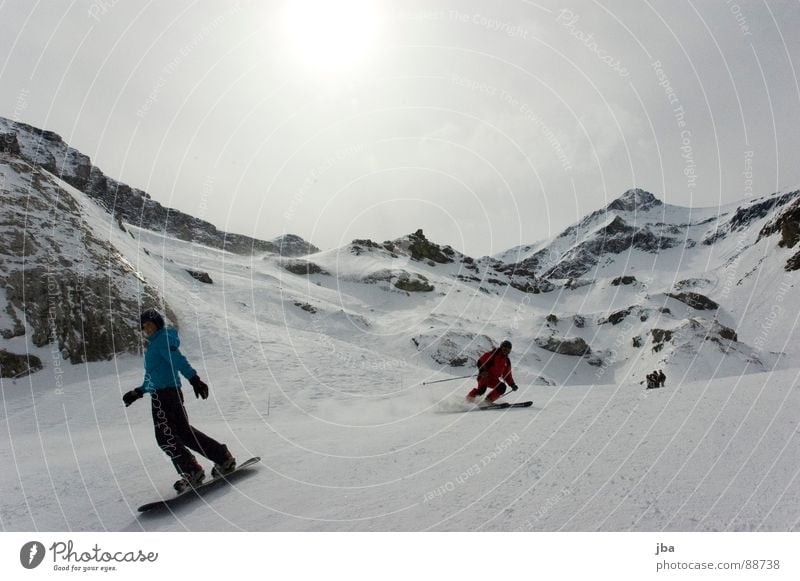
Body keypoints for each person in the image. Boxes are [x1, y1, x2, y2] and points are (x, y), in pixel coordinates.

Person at [122, 309, 236, 492]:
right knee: (184, 433)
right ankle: (222, 457)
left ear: (157, 323)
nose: (147, 329)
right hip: (167, 394)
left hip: (165, 396)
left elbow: (178, 360)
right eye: (144, 327)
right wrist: (138, 392)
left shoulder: (162, 340)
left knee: (165, 437)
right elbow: (154, 375)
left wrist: (194, 379)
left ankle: (192, 471)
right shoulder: (156, 344)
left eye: (149, 324)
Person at [466, 340, 519, 406]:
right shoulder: (492, 354)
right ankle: (468, 400)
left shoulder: (507, 361)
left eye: (508, 349)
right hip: (484, 377)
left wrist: (512, 385)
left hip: (494, 379)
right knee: (481, 391)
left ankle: (487, 401)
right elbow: (480, 362)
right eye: (505, 348)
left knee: (502, 387)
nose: (506, 350)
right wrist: (482, 371)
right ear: (501, 347)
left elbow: (507, 375)